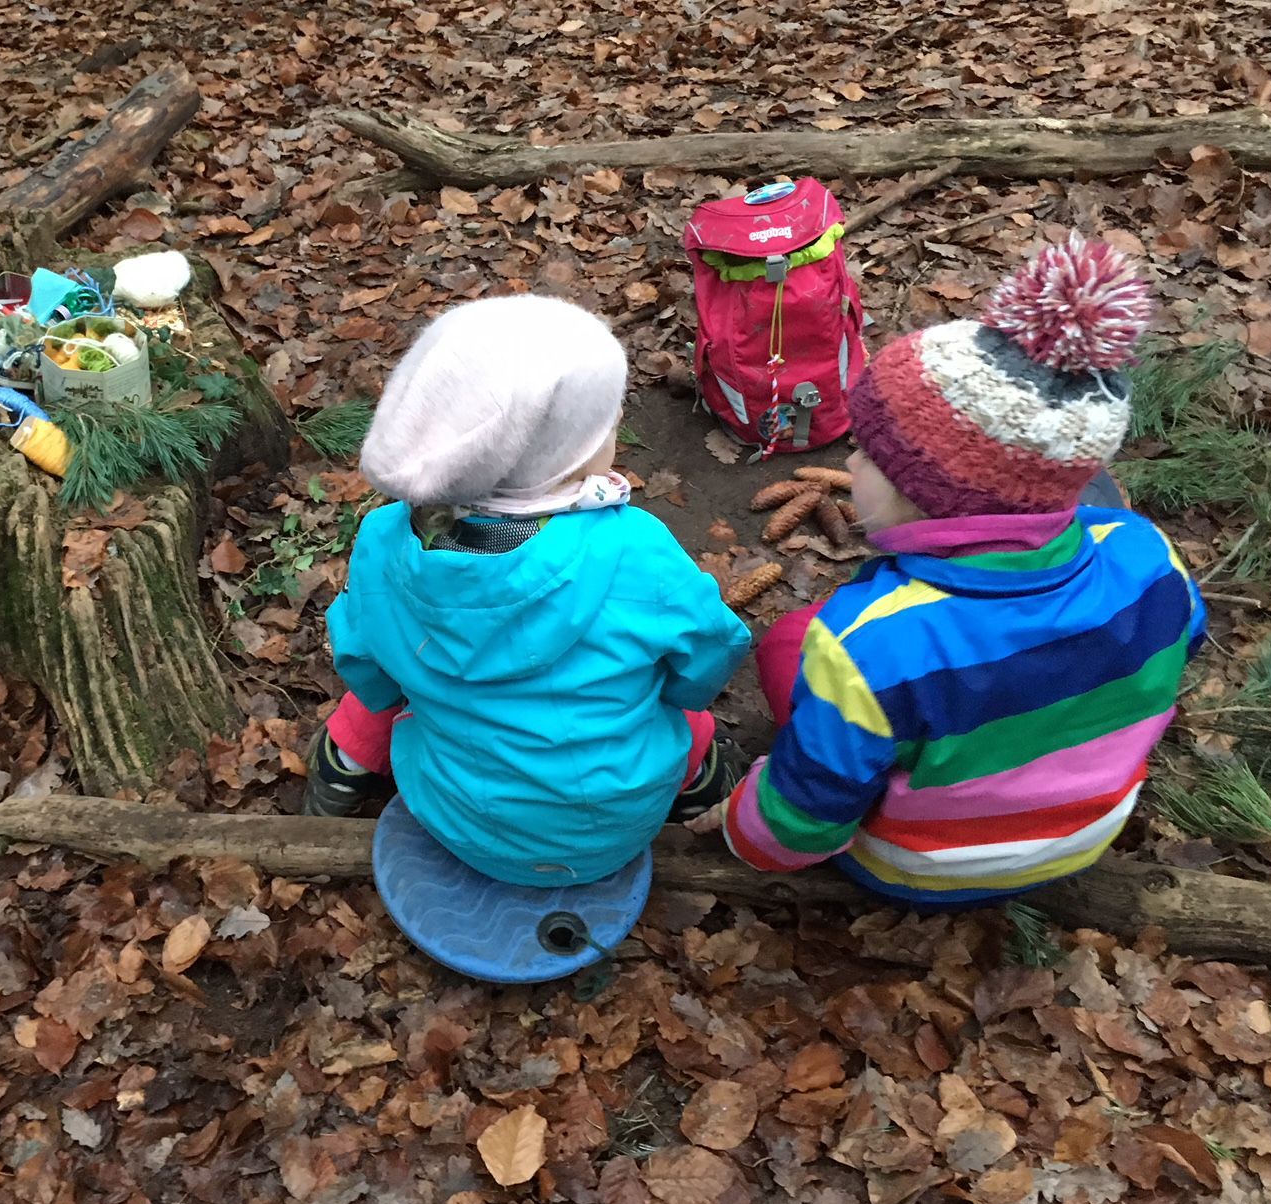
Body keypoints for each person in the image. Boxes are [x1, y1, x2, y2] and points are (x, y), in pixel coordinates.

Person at [721, 238, 1207, 905]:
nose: (851, 465)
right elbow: (1183, 646)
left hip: (917, 867)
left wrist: (740, 828)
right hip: (1085, 835)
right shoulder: (1150, 555)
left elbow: (795, 834)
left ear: (926, 496)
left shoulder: (868, 644)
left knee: (790, 644)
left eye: (868, 455)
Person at [303, 295, 753, 889]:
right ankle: (708, 795)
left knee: (383, 701)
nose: (618, 423)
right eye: (605, 423)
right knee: (680, 720)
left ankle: (340, 765)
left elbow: (365, 666)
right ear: (562, 458)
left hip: (459, 822)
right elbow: (709, 655)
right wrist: (668, 694)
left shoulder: (384, 541)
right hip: (617, 828)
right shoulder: (638, 549)